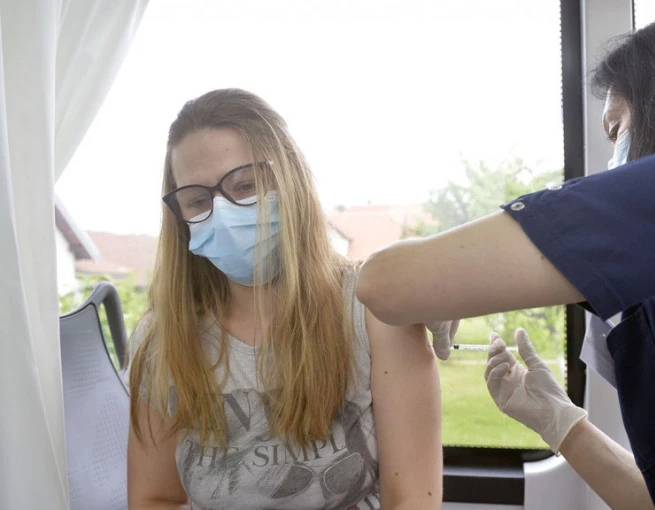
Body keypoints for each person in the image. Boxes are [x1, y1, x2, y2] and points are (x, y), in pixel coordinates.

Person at [356, 6, 655, 510]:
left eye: (617, 131)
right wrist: (561, 422)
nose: (614, 163)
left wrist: (446, 281)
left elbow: (383, 282)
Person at [126, 88, 446, 510]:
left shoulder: (373, 312)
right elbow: (155, 498)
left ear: (291, 180)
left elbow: (413, 500)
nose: (224, 214)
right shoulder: (163, 338)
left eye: (245, 186)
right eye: (198, 200)